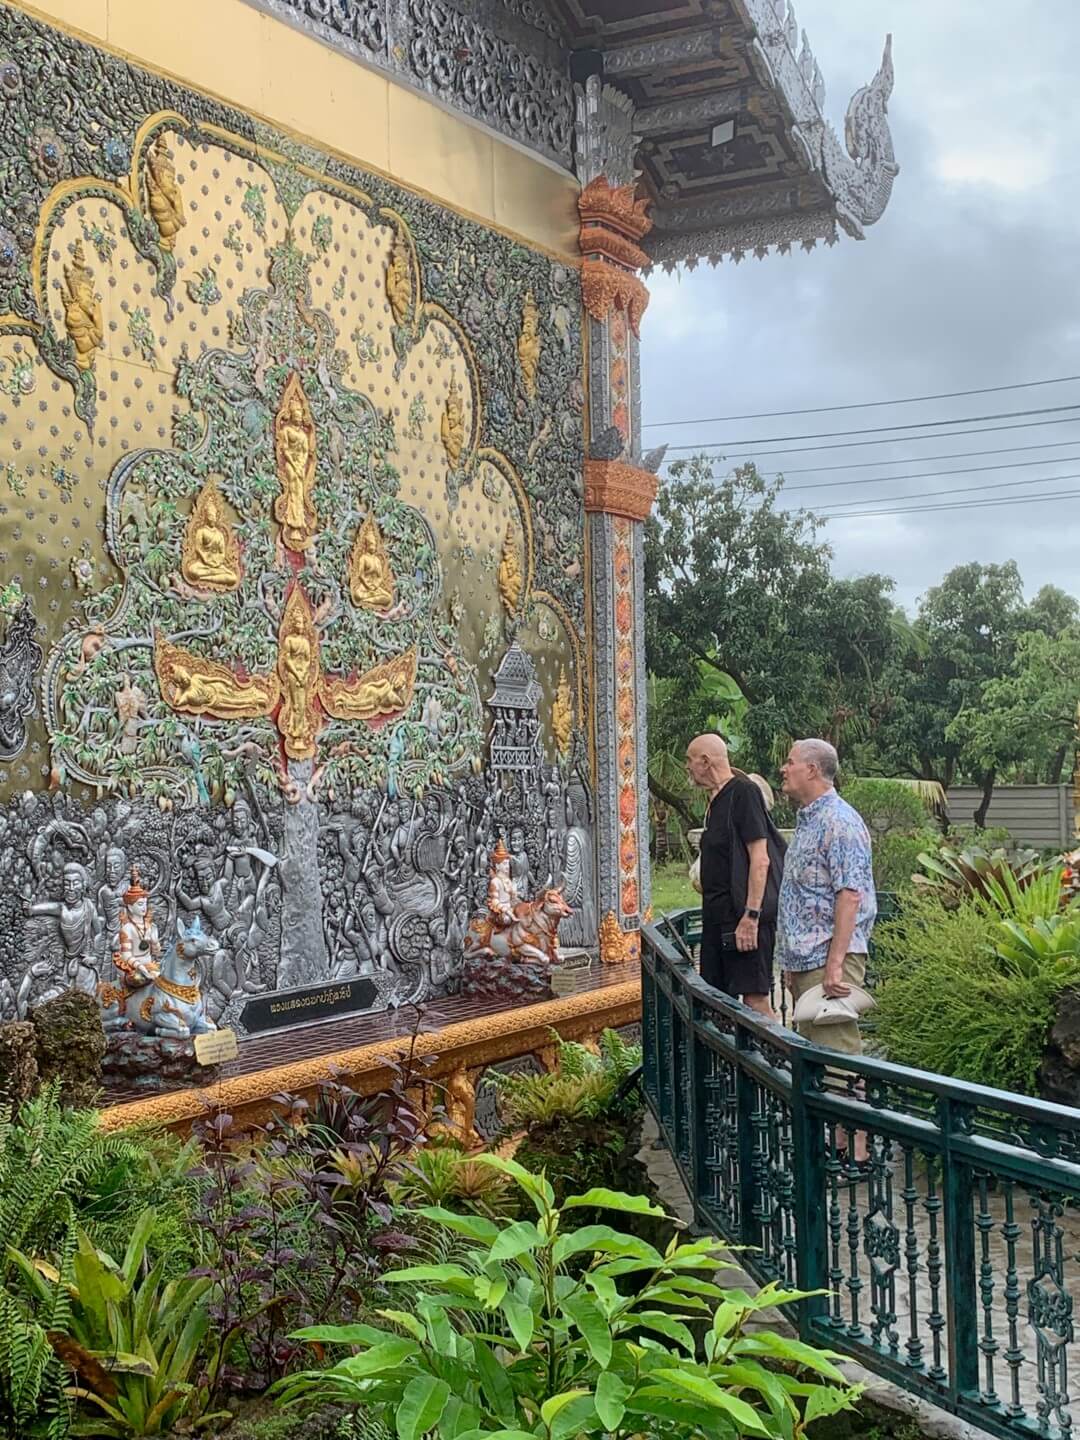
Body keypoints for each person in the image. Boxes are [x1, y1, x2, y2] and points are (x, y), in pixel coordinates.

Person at [777, 738, 876, 1160]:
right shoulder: (809, 821)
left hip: (830, 959)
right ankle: (836, 1143)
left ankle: (858, 1151)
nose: (783, 769)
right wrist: (790, 961)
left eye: (790, 762)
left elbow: (849, 895)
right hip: (808, 959)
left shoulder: (840, 821)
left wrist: (835, 963)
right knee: (819, 1054)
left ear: (813, 770)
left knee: (839, 1051)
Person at [686, 734, 786, 1018]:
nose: (688, 768)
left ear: (705, 761)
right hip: (717, 919)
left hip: (743, 921)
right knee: (717, 999)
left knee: (755, 999)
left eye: (690, 761)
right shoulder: (715, 801)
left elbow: (760, 858)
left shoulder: (744, 792)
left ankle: (772, 1048)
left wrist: (751, 916)